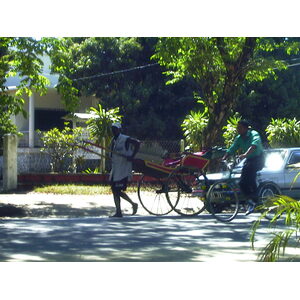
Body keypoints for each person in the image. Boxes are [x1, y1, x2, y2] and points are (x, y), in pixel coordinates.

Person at [222, 120, 265, 215]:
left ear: (246, 128)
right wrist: (224, 157)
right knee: (242, 182)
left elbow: (254, 145)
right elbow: (232, 148)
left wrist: (245, 154)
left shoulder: (254, 134)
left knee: (249, 174)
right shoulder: (239, 138)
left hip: (258, 159)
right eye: (237, 128)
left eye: (240, 128)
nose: (238, 130)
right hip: (249, 159)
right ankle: (250, 201)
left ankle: (255, 199)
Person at [109, 122, 140, 218]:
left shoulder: (125, 139)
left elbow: (137, 143)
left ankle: (133, 204)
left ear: (119, 130)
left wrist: (132, 156)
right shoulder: (113, 141)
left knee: (117, 190)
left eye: (115, 129)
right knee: (114, 190)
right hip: (115, 169)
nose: (113, 131)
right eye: (112, 129)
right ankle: (118, 211)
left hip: (123, 169)